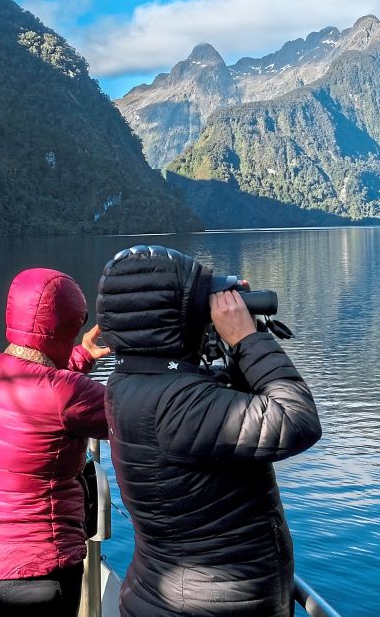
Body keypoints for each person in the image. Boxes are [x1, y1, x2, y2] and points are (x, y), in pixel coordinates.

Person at [97, 245, 323, 617]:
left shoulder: (132, 381)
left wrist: (227, 351)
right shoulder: (178, 403)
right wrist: (247, 340)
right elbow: (296, 420)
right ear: (174, 316)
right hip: (210, 605)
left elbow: (222, 408)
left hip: (170, 594)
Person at [0, 268, 111, 616]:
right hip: (34, 574)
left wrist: (82, 357)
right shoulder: (70, 393)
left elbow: (35, 382)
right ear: (66, 327)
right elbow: (146, 416)